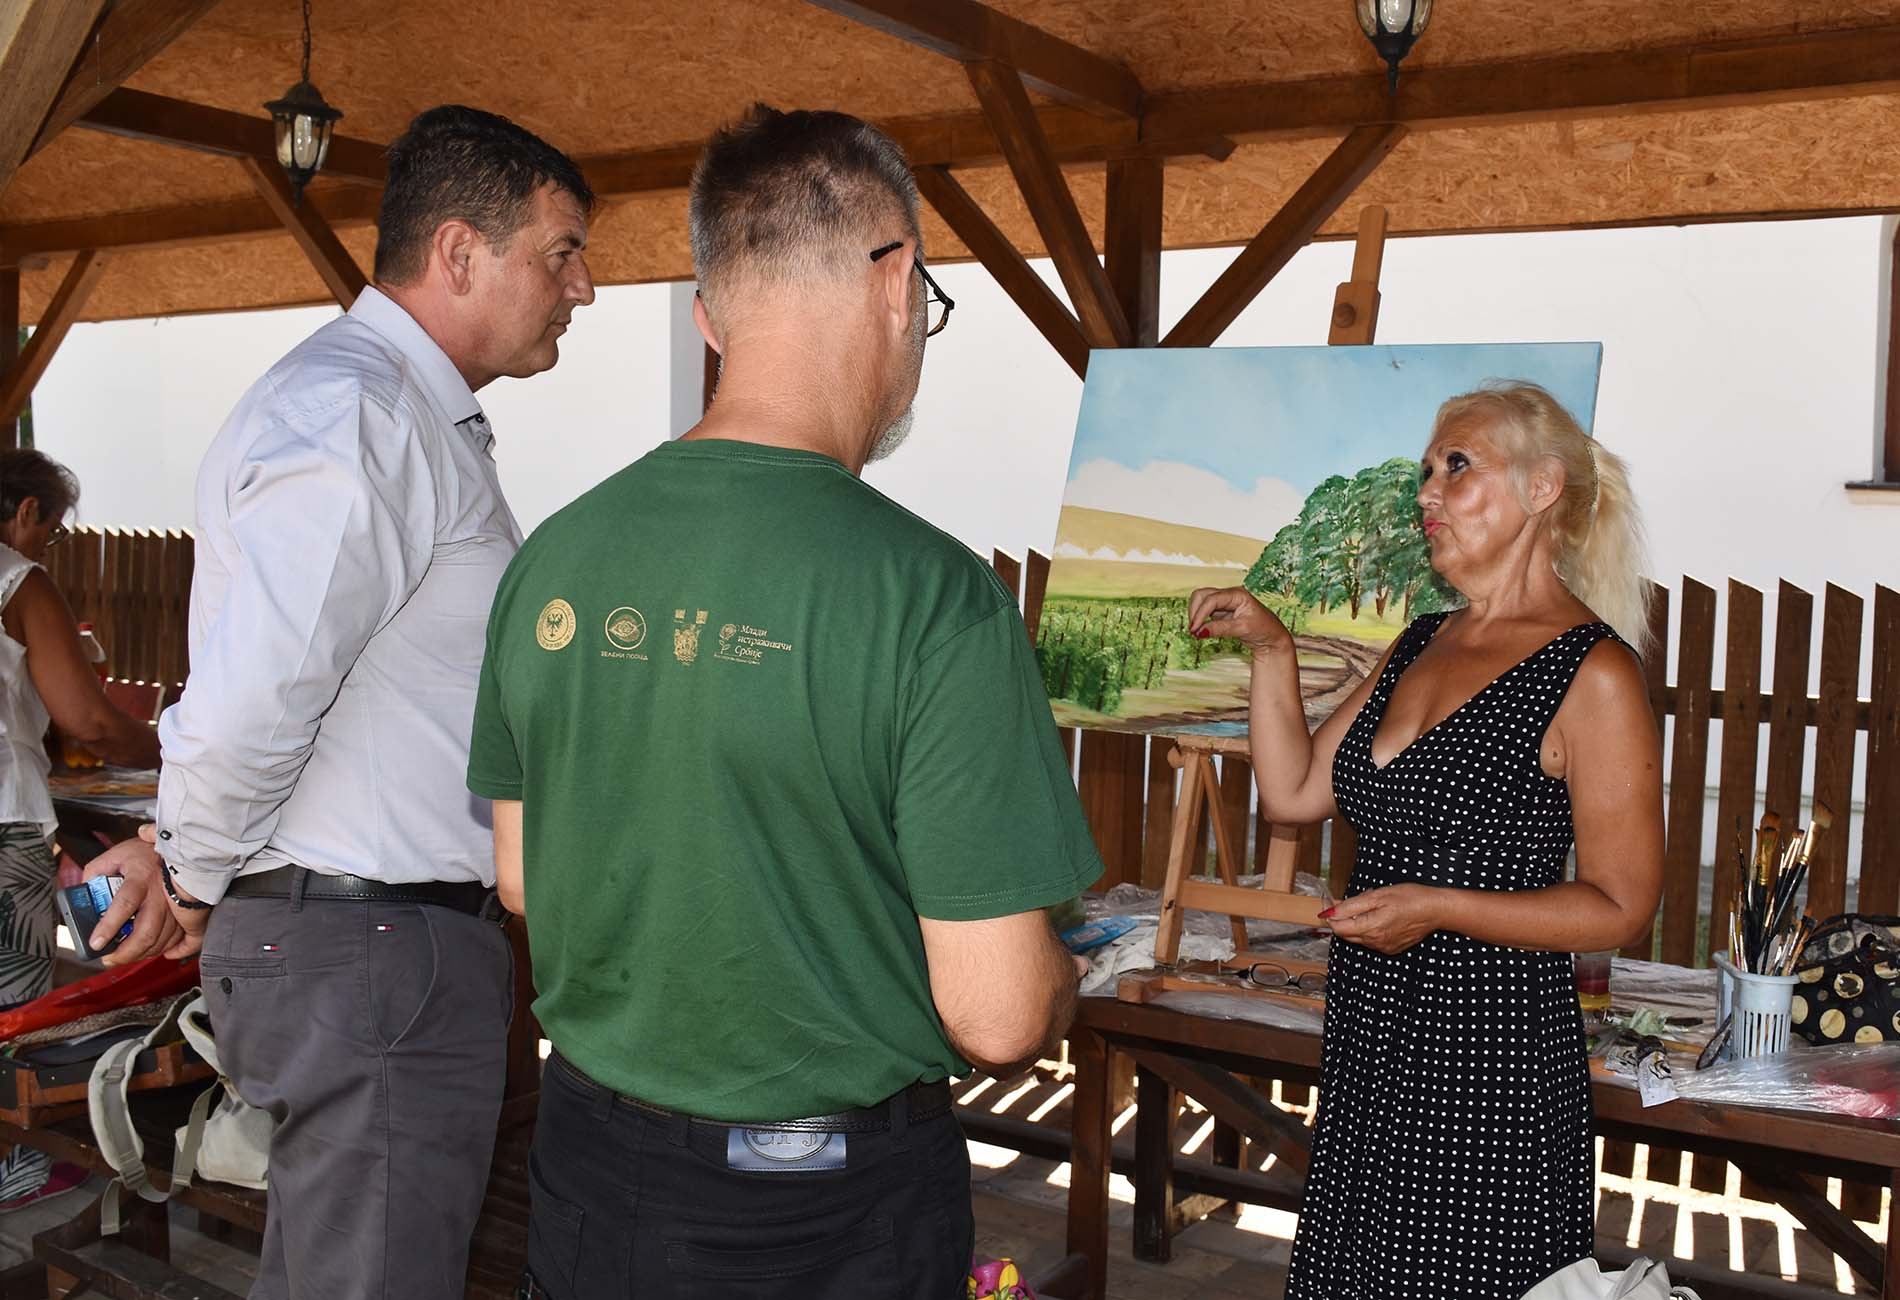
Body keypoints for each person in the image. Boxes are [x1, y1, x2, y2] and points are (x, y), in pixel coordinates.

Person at [467, 105, 1098, 1300]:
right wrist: (1064, 977)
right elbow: (1000, 1015)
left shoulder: (553, 558)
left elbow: (522, 881)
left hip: (594, 1169)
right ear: (897, 285)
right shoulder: (933, 599)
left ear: (710, 319)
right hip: (829, 1213)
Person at [82, 105, 596, 1300]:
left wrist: (189, 855)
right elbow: (261, 691)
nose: (584, 286)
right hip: (374, 949)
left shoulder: (386, 410)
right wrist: (193, 870)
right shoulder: (359, 413)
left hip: (379, 946)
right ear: (459, 252)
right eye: (562, 251)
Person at [1189, 381, 1664, 1300]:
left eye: (1457, 467)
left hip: (1490, 1057)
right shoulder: (1419, 643)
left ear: (1541, 488)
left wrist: (1437, 907)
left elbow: (1622, 905)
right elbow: (1294, 792)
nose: (1426, 493)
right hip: (1375, 1033)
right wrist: (1273, 650)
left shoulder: (1592, 671)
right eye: (1427, 471)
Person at [0, 449, 160, 1205]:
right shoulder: (19, 581)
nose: (48, 547)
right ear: (28, 511)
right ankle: (19, 1166)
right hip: (4, 813)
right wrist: (173, 752)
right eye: (53, 530)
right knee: (14, 1010)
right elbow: (90, 721)